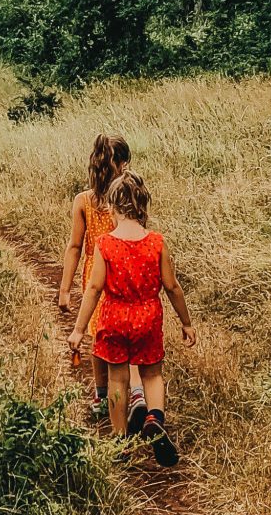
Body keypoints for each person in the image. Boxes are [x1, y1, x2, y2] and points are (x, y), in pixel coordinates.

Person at [66, 169, 194, 466]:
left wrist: (78, 329)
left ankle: (121, 442)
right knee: (151, 374)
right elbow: (172, 286)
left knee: (117, 379)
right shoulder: (157, 242)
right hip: (147, 317)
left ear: (111, 207)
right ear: (143, 204)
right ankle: (154, 417)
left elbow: (95, 287)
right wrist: (186, 322)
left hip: (114, 318)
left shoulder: (105, 244)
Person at [57, 134, 142, 421]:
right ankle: (136, 395)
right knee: (127, 335)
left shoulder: (83, 201)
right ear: (124, 164)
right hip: (126, 272)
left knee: (99, 337)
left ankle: (102, 394)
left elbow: (74, 246)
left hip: (95, 274)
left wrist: (65, 289)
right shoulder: (130, 198)